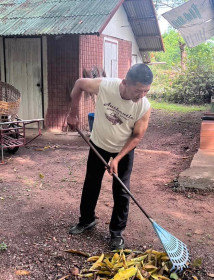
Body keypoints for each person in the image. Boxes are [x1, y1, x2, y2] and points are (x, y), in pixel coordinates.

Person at [67, 63, 153, 250]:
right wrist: (72, 113)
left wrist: (118, 158)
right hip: (99, 144)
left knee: (121, 191)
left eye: (146, 91)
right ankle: (87, 220)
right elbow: (80, 83)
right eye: (138, 90)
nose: (142, 96)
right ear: (125, 83)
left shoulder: (144, 107)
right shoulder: (107, 86)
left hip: (123, 149)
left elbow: (137, 136)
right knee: (91, 183)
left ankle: (116, 233)